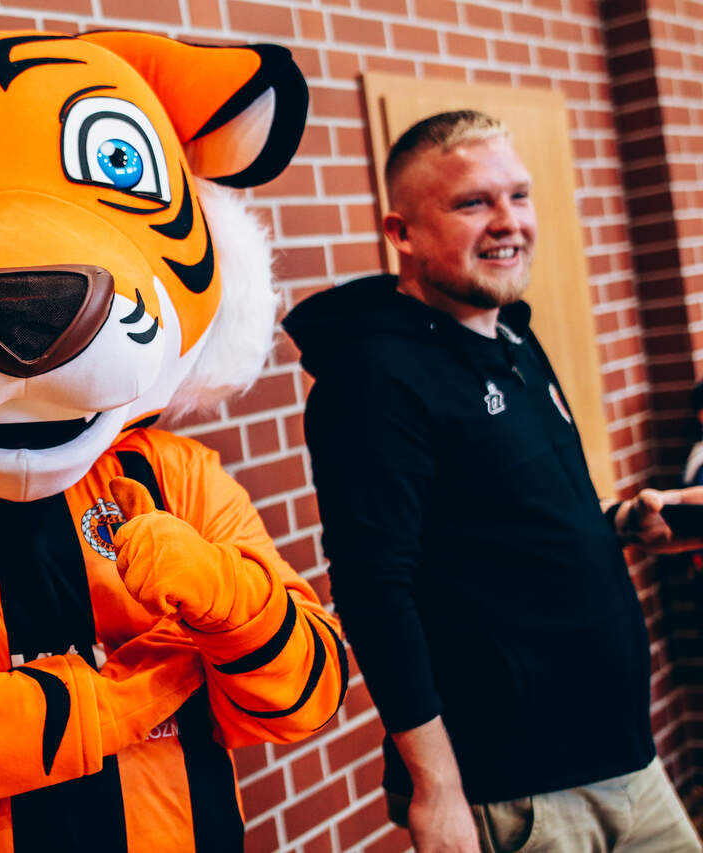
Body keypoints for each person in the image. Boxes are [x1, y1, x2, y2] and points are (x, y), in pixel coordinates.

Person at [282, 110, 703, 852]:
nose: (508, 222)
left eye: (519, 195)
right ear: (402, 232)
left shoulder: (512, 334)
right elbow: (375, 591)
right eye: (473, 202)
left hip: (626, 761)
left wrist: (627, 522)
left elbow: (503, 520)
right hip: (518, 793)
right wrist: (437, 788)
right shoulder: (374, 378)